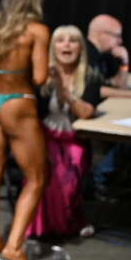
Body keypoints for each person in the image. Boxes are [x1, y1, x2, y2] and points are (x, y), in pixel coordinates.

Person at [0, 0, 49, 260]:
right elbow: (40, 77)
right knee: (36, 179)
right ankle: (14, 247)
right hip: (18, 103)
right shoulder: (37, 31)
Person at [26, 25, 101, 239]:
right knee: (41, 176)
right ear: (53, 48)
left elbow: (85, 112)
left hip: (74, 140)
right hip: (44, 137)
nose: (66, 44)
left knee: (67, 181)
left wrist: (62, 89)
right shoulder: (41, 77)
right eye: (61, 40)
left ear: (80, 48)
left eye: (72, 40)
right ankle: (40, 228)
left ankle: (70, 222)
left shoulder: (91, 77)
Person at [85, 14, 131, 198]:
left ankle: (109, 176)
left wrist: (124, 64)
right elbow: (97, 90)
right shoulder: (86, 54)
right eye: (116, 36)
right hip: (85, 117)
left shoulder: (102, 56)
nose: (120, 41)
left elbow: (117, 85)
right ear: (101, 34)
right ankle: (100, 178)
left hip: (101, 112)